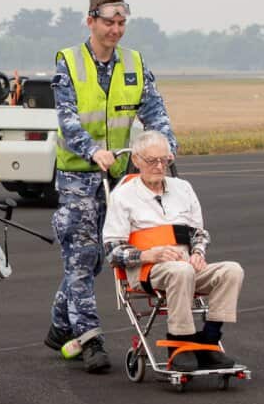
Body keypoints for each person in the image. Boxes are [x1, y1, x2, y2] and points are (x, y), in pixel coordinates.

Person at [46, 0, 177, 374]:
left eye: (121, 23)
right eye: (108, 22)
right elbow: (67, 119)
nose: (116, 30)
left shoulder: (134, 63)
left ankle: (59, 324)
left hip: (119, 177)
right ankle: (88, 337)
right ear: (91, 21)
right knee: (82, 255)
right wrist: (91, 150)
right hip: (78, 175)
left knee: (97, 258)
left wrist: (166, 145)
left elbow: (154, 109)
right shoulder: (68, 62)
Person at [104, 130, 244, 371]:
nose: (159, 166)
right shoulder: (123, 196)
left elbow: (199, 233)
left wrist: (198, 253)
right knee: (181, 271)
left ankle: (208, 342)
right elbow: (111, 251)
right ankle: (179, 345)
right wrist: (148, 255)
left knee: (232, 271)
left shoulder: (183, 188)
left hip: (185, 265)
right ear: (136, 160)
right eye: (152, 161)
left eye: (164, 160)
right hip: (147, 270)